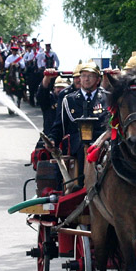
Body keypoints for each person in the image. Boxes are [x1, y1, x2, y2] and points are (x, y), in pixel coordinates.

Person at [47, 60, 110, 190]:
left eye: (90, 76)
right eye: (83, 75)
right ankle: (83, 186)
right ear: (79, 79)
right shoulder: (69, 100)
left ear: (98, 80)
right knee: (85, 145)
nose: (86, 79)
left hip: (103, 139)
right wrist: (52, 140)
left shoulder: (107, 98)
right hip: (78, 141)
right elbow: (59, 125)